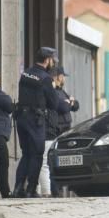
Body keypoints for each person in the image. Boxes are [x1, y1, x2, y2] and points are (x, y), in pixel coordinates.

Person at [13, 46, 60, 198]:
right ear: (47, 60)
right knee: (37, 154)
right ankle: (31, 189)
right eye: (52, 59)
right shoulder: (45, 78)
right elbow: (54, 104)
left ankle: (18, 188)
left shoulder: (25, 73)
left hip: (21, 118)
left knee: (26, 154)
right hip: (35, 120)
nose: (53, 62)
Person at [38, 66, 80, 196]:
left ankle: (60, 191)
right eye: (63, 76)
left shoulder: (63, 92)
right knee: (51, 163)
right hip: (56, 132)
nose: (64, 79)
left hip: (64, 132)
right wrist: (68, 103)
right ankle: (52, 192)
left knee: (62, 164)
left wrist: (70, 102)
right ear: (58, 76)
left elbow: (76, 105)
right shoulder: (52, 91)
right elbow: (62, 107)